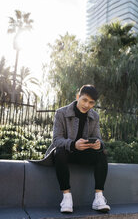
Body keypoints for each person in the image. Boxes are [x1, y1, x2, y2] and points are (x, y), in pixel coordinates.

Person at [45, 84, 110, 213]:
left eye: (91, 102)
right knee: (60, 151)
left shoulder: (95, 116)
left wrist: (98, 144)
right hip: (65, 154)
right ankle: (67, 198)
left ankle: (98, 198)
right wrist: (74, 144)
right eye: (84, 100)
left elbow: (98, 138)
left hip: (83, 154)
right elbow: (57, 140)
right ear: (77, 97)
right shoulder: (61, 113)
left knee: (102, 153)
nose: (87, 105)